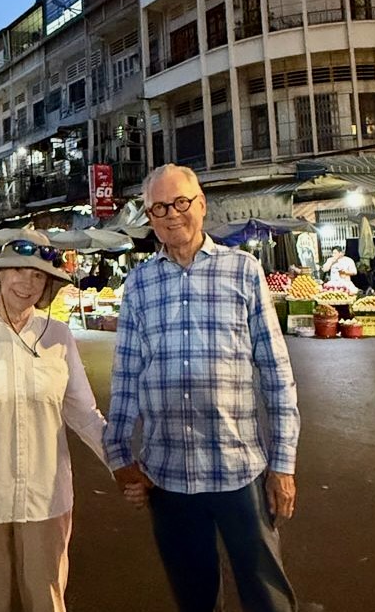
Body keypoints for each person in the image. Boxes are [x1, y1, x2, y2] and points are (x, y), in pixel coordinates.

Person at [104, 164, 300, 612]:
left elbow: (275, 372)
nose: (172, 215)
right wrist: (119, 457)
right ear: (149, 216)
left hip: (239, 469)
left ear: (201, 205)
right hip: (167, 474)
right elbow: (127, 376)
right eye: (159, 207)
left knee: (266, 596)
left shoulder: (244, 272)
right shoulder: (138, 284)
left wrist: (283, 465)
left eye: (180, 203)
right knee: (193, 598)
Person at [0, 232, 108, 612]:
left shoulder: (58, 337)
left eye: (39, 276)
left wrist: (125, 465)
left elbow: (85, 415)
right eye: (18, 270)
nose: (27, 282)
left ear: (47, 286)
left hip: (47, 500)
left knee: (47, 602)